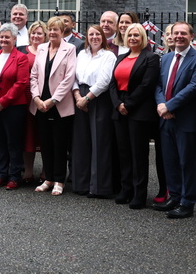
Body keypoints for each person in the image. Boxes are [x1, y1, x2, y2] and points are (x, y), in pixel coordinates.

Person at [154, 21, 196, 219]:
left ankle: (187, 202)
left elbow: (194, 87)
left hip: (185, 119)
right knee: (170, 160)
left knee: (186, 162)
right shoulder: (166, 58)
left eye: (183, 33)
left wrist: (170, 106)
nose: (178, 36)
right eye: (176, 33)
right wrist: (162, 106)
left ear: (191, 36)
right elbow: (159, 85)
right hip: (165, 118)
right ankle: (174, 196)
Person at [109, 22, 160, 209]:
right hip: (120, 109)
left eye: (136, 35)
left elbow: (147, 85)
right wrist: (117, 104)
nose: (132, 38)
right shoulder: (120, 57)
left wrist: (128, 104)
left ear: (143, 38)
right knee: (124, 153)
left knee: (138, 154)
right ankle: (126, 189)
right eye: (130, 35)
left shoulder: (151, 58)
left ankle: (140, 193)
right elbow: (112, 83)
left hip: (139, 110)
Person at [29, 16, 77, 196]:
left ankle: (59, 180)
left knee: (59, 143)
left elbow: (69, 78)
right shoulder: (41, 48)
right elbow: (33, 76)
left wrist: (52, 100)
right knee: (45, 143)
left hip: (59, 104)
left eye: (55, 29)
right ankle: (48, 178)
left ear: (62, 31)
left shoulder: (70, 49)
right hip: (40, 104)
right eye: (49, 29)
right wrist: (36, 98)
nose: (52, 32)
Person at [0, 22, 30, 190]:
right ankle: (1, 174)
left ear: (15, 39)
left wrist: (3, 102)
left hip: (13, 107)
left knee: (13, 142)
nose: (3, 40)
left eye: (7, 37)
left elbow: (21, 83)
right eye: (2, 37)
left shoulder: (21, 58)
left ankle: (14, 176)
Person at [70, 25, 117, 198]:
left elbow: (105, 81)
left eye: (98, 34)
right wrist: (76, 96)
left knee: (100, 142)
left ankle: (99, 187)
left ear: (103, 37)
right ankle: (81, 184)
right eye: (91, 34)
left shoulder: (109, 55)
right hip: (79, 96)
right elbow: (73, 76)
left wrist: (87, 98)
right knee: (81, 142)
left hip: (98, 98)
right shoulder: (81, 54)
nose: (95, 37)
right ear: (86, 37)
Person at [18, 20, 47, 185]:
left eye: (39, 33)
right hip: (26, 96)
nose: (36, 36)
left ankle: (45, 171)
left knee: (43, 135)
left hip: (43, 98)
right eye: (33, 33)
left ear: (45, 36)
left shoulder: (48, 51)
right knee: (28, 134)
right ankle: (28, 171)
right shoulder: (22, 50)